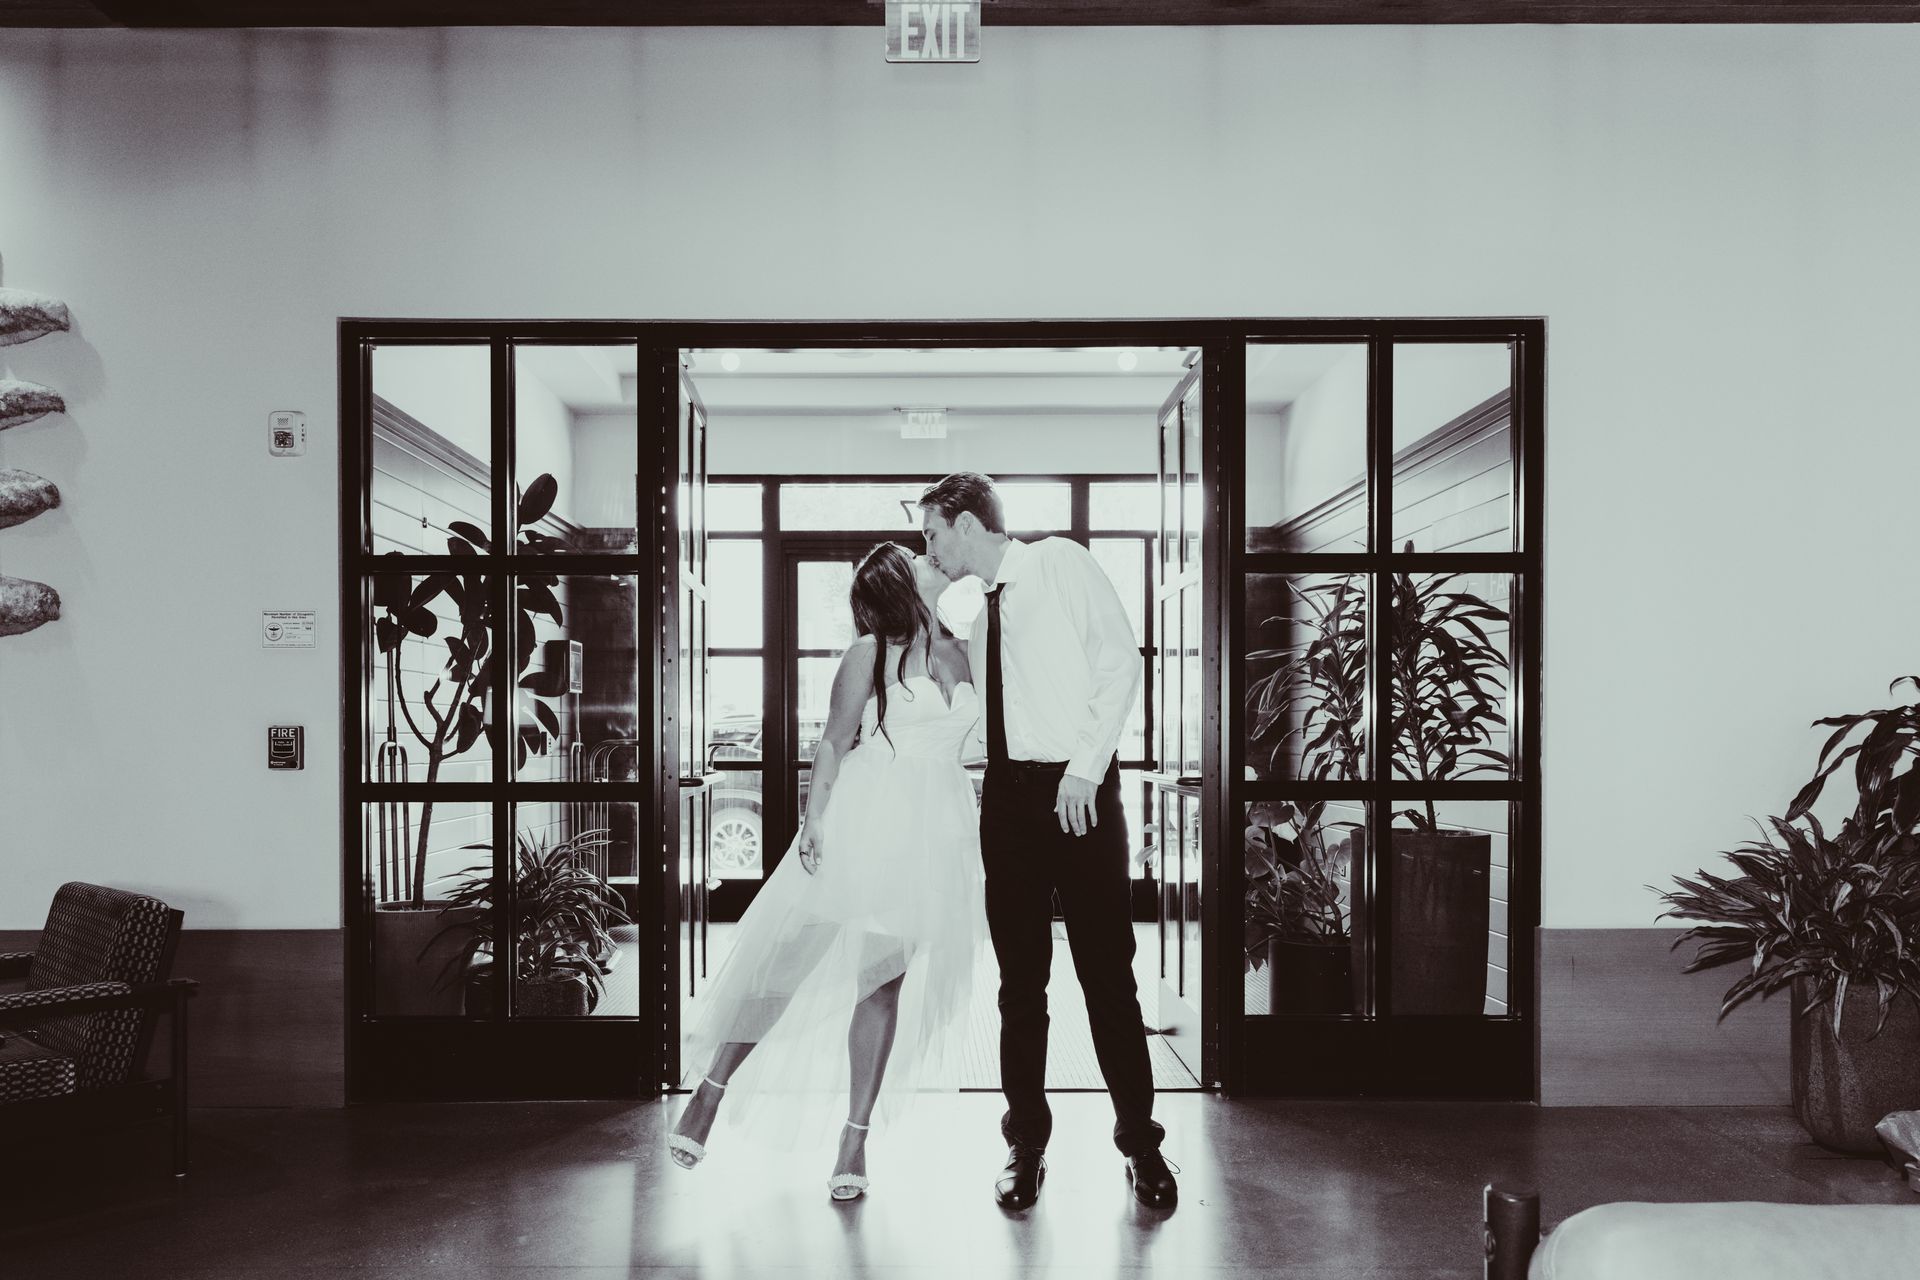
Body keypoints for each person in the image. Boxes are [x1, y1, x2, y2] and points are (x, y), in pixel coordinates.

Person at [666, 542, 986, 1202]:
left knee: (882, 984)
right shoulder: (870, 654)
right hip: (868, 819)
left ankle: (854, 1138)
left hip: (936, 835)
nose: (934, 562)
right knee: (789, 962)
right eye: (921, 560)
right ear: (906, 584)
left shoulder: (967, 648)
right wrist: (813, 822)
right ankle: (711, 1089)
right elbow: (834, 743)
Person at [919, 471, 1178, 1211]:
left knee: (1107, 975)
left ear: (967, 521)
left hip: (1080, 795)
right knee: (1019, 984)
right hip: (1006, 803)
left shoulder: (1059, 562)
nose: (928, 549)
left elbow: (1118, 664)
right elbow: (980, 722)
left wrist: (1085, 772)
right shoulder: (976, 617)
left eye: (933, 532)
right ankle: (1024, 1144)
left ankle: (1141, 1143)